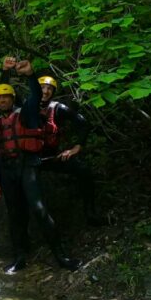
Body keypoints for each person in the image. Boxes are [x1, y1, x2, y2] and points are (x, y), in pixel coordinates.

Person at [0, 59, 78, 274]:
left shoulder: (27, 112)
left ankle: (61, 255)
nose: (2, 101)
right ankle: (19, 257)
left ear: (13, 99)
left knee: (39, 210)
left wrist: (30, 75)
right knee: (15, 214)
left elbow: (36, 97)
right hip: (8, 170)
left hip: (27, 166)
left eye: (6, 97)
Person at [36, 75, 105, 226]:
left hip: (51, 158)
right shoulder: (24, 107)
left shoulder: (58, 108)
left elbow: (83, 123)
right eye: (42, 88)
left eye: (49, 89)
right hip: (31, 160)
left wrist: (76, 147)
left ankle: (90, 213)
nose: (46, 91)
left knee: (83, 170)